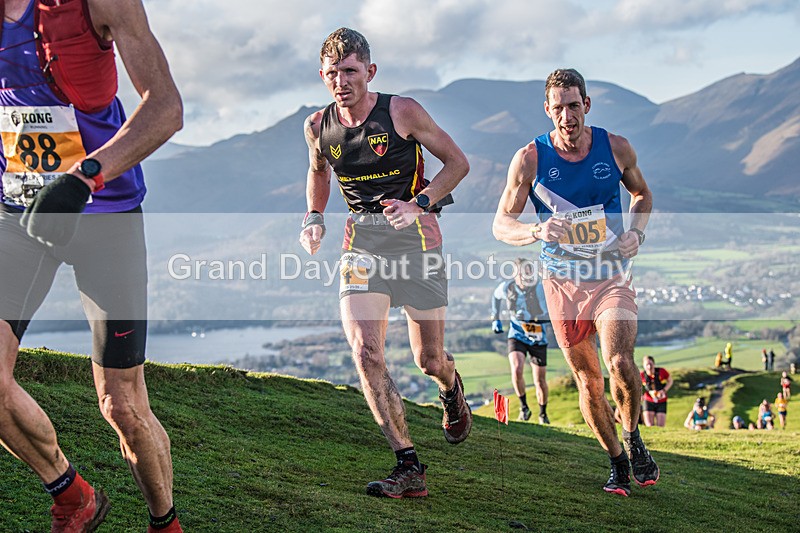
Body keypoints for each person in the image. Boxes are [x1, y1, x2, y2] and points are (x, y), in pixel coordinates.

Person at [0, 0, 183, 531]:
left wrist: (84, 177)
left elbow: (165, 108)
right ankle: (71, 495)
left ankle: (164, 522)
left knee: (121, 405)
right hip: (20, 217)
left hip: (105, 214)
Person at [299, 28, 471, 499]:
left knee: (428, 358)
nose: (341, 81)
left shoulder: (401, 111)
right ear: (322, 76)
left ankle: (451, 387)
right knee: (365, 352)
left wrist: (419, 202)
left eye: (350, 71)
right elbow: (318, 172)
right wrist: (314, 216)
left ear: (369, 72)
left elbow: (457, 163)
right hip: (361, 243)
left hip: (416, 239)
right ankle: (408, 465)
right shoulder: (317, 126)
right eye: (332, 73)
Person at [493, 68, 657, 497]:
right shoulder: (529, 158)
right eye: (558, 107)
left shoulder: (615, 148)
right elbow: (501, 223)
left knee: (619, 361)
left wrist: (635, 232)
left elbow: (642, 195)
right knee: (589, 381)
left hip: (610, 276)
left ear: (586, 105)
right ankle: (617, 462)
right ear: (547, 111)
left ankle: (633, 435)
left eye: (573, 104)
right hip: (561, 281)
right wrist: (534, 232)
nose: (567, 115)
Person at [490, 258, 551, 424]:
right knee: (516, 369)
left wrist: (533, 318)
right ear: (516, 275)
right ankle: (524, 408)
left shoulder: (540, 289)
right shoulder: (507, 288)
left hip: (538, 338)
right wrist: (495, 318)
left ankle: (543, 414)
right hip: (517, 334)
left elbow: (551, 316)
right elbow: (495, 297)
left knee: (539, 380)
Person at [640, 356, 673, 427]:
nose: (649, 367)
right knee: (649, 424)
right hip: (648, 400)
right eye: (647, 365)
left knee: (660, 426)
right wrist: (640, 395)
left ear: (654, 364)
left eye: (651, 364)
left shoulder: (662, 371)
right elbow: (637, 386)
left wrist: (664, 390)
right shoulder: (642, 375)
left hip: (661, 400)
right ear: (643, 366)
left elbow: (670, 381)